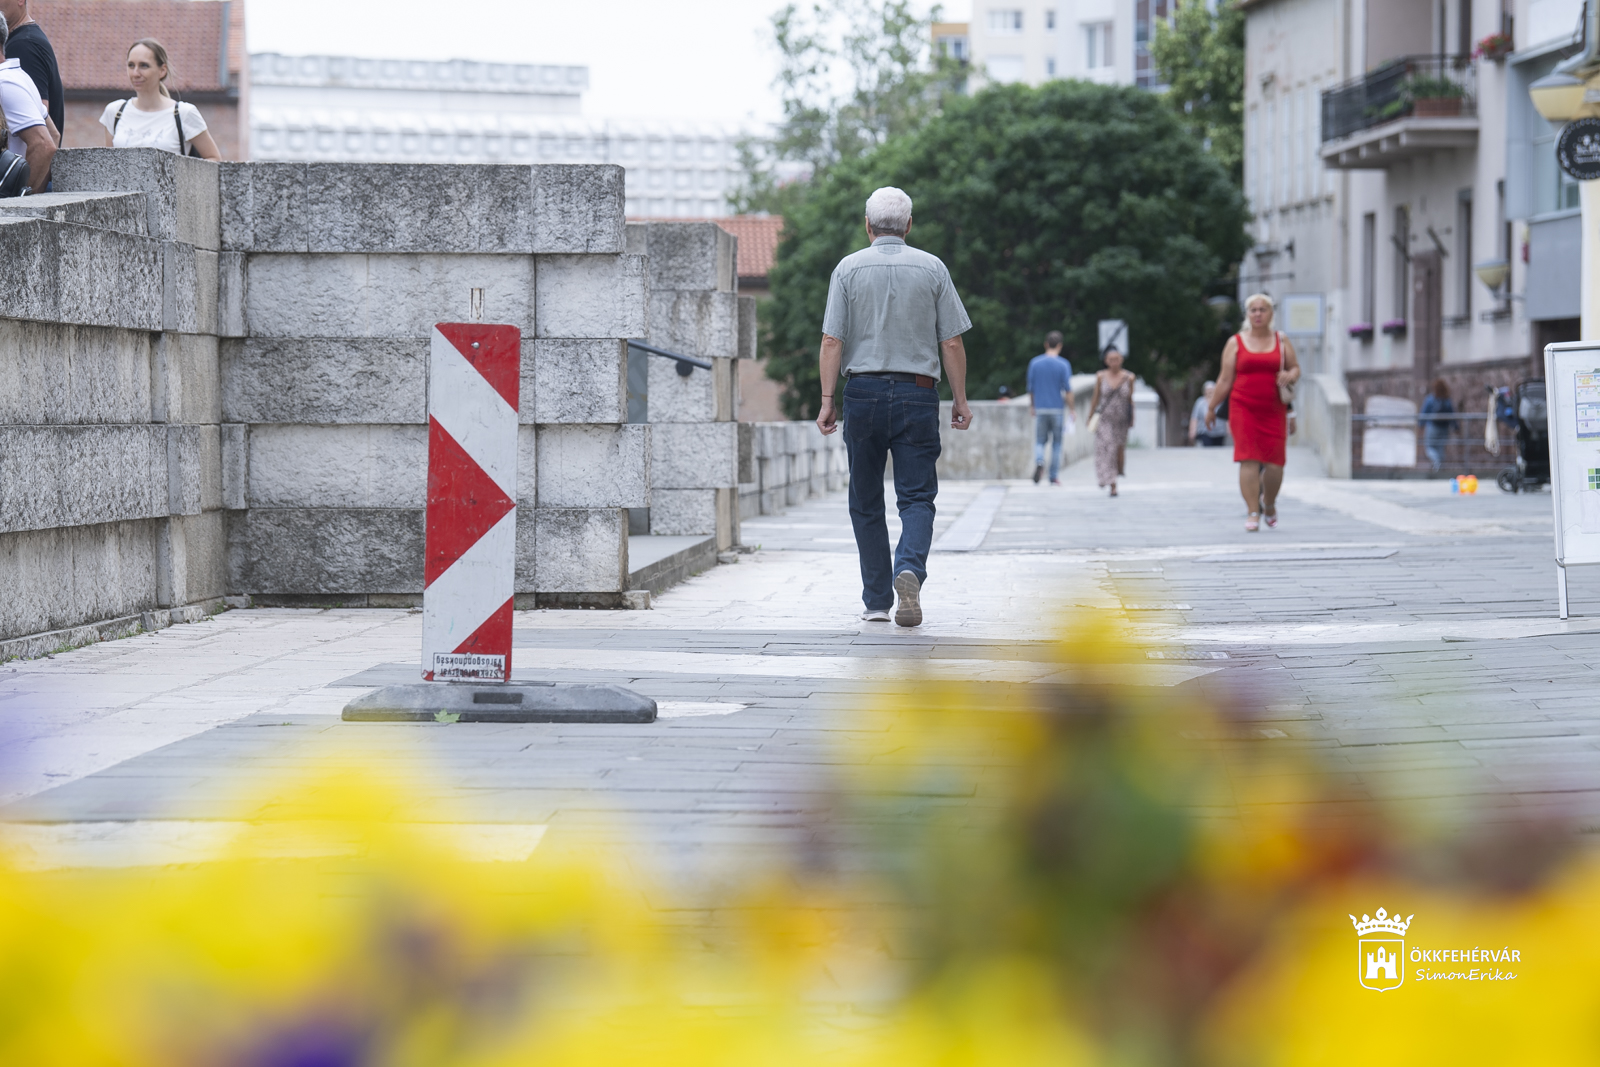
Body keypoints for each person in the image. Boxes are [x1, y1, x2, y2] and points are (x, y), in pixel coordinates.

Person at [816, 186, 973, 627]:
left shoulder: (847, 269)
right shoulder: (933, 268)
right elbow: (952, 342)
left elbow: (831, 340)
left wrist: (827, 401)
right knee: (917, 497)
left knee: (865, 498)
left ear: (868, 225)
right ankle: (909, 569)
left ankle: (876, 601)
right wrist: (960, 399)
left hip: (862, 393)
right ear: (909, 225)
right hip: (917, 393)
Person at [1207, 293, 1301, 531]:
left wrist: (1290, 374)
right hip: (1243, 407)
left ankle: (1268, 503)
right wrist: (1211, 407)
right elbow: (1225, 379)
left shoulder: (1281, 340)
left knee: (1275, 463)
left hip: (1274, 409)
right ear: (1247, 314)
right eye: (1253, 310)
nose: (1258, 314)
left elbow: (1295, 368)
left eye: (1263, 309)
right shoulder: (1235, 342)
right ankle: (1252, 511)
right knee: (1248, 458)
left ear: (1271, 313)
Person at [100, 39, 222, 159]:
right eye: (131, 65)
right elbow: (109, 165)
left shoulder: (183, 113)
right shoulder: (115, 112)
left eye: (144, 66)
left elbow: (214, 158)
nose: (135, 73)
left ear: (162, 70)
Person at [0, 1, 60, 153]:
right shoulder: (26, 40)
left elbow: (42, 137)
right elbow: (53, 134)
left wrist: (25, 171)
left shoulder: (24, 45)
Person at [0, 17, 52, 191]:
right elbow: (53, 134)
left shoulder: (4, 83)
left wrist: (21, 200)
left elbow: (44, 145)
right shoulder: (17, 76)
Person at [1027, 330, 1074, 485]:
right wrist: (1072, 410)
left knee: (1040, 441)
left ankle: (1040, 460)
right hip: (1057, 409)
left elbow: (1031, 389)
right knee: (1057, 443)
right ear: (1060, 345)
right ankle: (1053, 476)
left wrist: (1033, 406)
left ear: (1046, 344)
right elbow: (1068, 390)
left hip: (1040, 408)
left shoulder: (1035, 363)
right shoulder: (1063, 364)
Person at [1089, 346, 1135, 497]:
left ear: (1121, 360)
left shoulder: (1129, 377)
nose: (1114, 362)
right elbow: (1096, 398)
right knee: (1106, 447)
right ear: (1106, 361)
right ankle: (1110, 481)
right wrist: (1090, 416)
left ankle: (1113, 475)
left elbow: (1130, 399)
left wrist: (1132, 418)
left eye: (1117, 359)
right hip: (1105, 418)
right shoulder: (1100, 376)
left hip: (1121, 420)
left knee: (1117, 450)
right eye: (1111, 360)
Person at [1420, 378, 1455, 472]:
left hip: (1432, 427)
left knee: (1429, 447)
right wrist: (1456, 427)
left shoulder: (1430, 399)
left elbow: (1424, 413)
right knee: (1440, 448)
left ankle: (1437, 463)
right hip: (1444, 428)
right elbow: (1452, 415)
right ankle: (1440, 467)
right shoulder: (1447, 400)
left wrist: (1421, 424)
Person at [1190, 381, 1227, 446]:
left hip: (1220, 431)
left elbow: (1225, 415)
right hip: (1205, 431)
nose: (1210, 392)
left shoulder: (1220, 401)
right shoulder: (1200, 402)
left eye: (1212, 390)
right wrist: (1192, 430)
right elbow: (1195, 417)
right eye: (1208, 390)